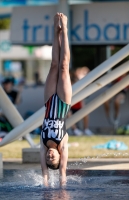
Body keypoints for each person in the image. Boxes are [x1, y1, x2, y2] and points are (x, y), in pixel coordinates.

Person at [40, 13, 72, 186]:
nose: (49, 156)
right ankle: (65, 30)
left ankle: (55, 31)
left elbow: (44, 173)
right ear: (60, 157)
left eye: (48, 158)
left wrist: (45, 184)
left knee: (54, 65)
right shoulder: (63, 144)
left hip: (49, 101)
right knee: (64, 66)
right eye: (53, 158)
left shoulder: (43, 144)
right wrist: (61, 188)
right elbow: (63, 172)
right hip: (62, 103)